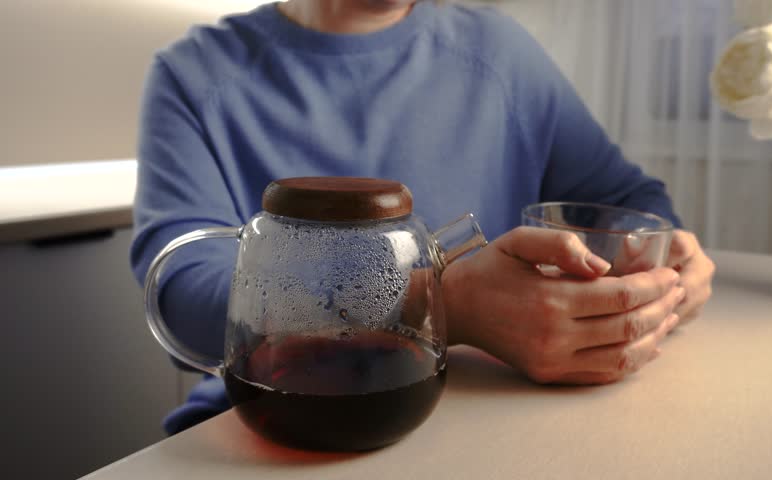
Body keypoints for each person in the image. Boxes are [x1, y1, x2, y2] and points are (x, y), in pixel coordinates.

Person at [131, 0, 715, 435]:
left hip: (494, 425)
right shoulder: (193, 76)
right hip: (267, 426)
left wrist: (658, 266)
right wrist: (435, 304)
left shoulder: (502, 53)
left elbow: (627, 200)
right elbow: (184, 297)